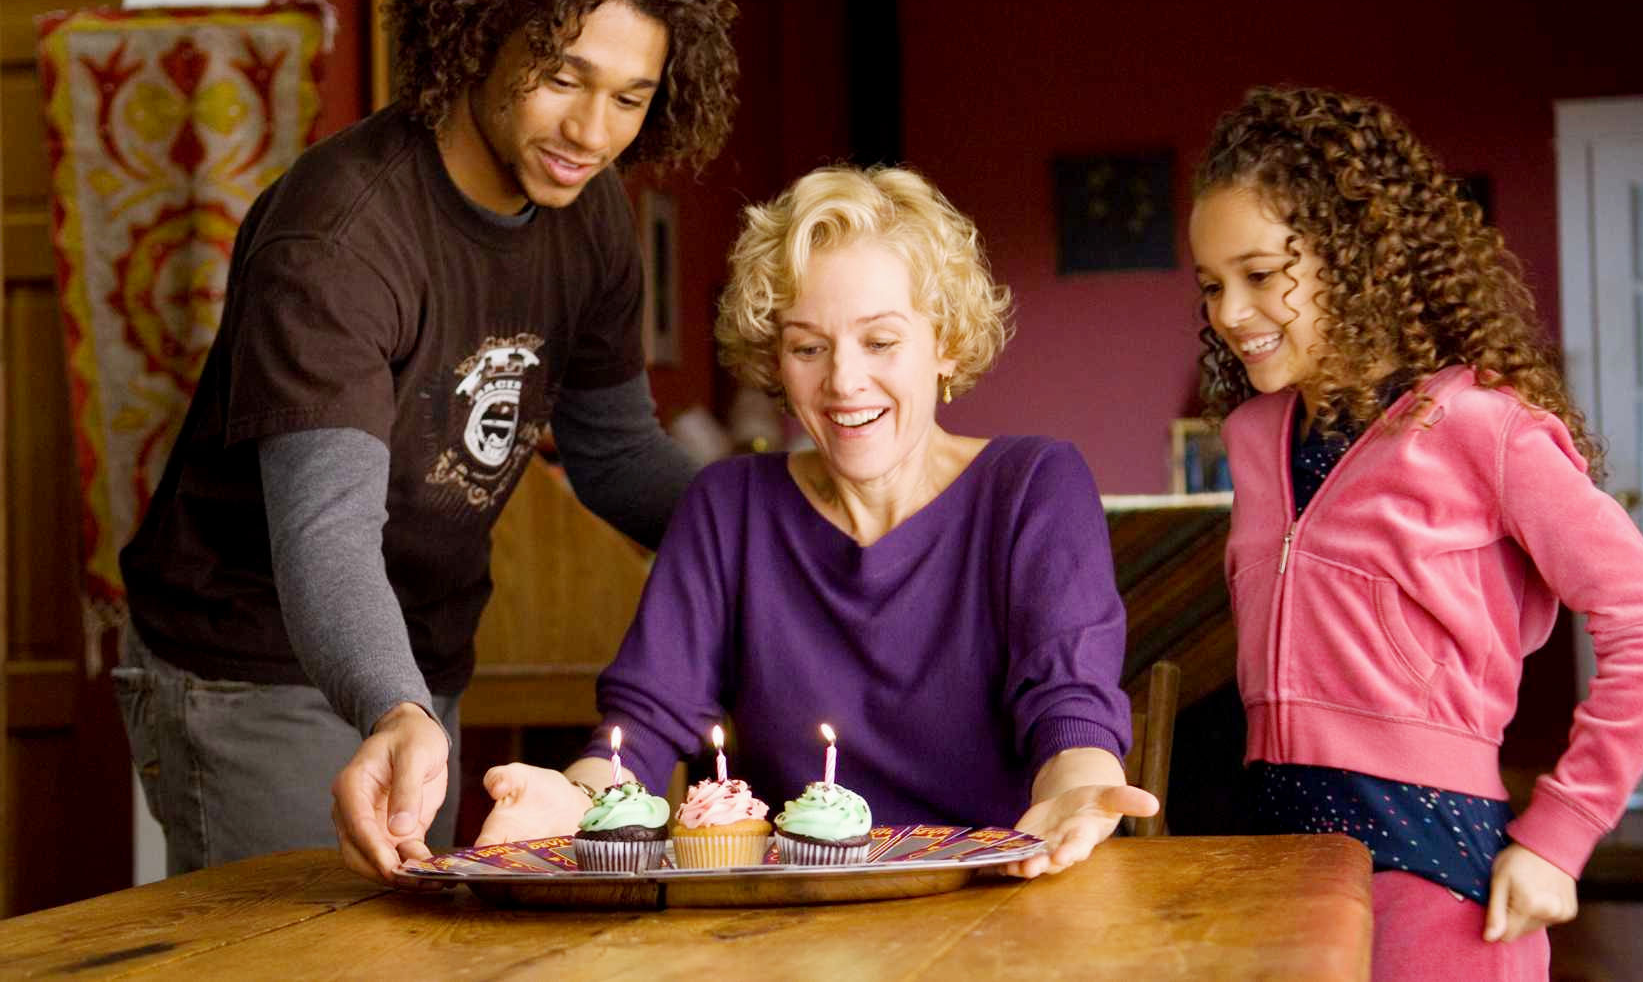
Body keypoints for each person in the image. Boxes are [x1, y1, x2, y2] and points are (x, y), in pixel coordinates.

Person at [112, 0, 739, 884]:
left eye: (629, 97)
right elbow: (326, 527)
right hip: (250, 667)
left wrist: (783, 529)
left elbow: (616, 451)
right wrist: (394, 703)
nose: (592, 131)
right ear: (478, 35)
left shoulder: (592, 212)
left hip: (417, 658)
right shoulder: (342, 232)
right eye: (560, 76)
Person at [473, 165, 1158, 876]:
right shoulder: (728, 506)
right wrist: (569, 798)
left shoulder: (1033, 487)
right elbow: (641, 726)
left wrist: (1078, 788)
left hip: (1000, 894)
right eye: (807, 346)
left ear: (945, 341)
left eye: (881, 341)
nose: (843, 380)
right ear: (775, 359)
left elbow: (1067, 703)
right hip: (797, 925)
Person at [1189, 86, 1643, 979]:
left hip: (1435, 870)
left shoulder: (1483, 427)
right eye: (1211, 284)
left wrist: (1562, 831)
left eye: (1262, 274)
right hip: (1276, 857)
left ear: (1357, 257)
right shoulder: (1249, 438)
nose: (1231, 312)